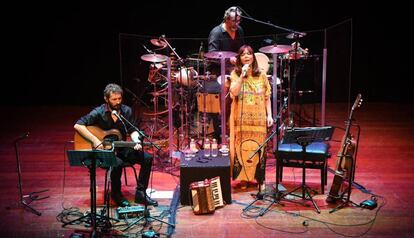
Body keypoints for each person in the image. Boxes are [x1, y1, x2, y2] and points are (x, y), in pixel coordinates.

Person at [74, 83, 158, 207]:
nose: (117, 102)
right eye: (114, 99)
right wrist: (95, 140)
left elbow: (132, 130)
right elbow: (78, 125)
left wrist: (136, 141)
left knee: (147, 158)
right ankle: (116, 194)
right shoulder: (98, 112)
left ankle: (140, 193)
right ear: (106, 99)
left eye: (119, 99)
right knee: (116, 163)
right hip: (104, 151)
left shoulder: (126, 111)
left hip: (121, 149)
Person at [228, 45, 273, 189]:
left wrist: (269, 115)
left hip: (259, 118)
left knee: (259, 148)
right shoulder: (235, 74)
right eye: (243, 54)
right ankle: (243, 179)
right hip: (242, 118)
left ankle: (259, 179)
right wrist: (242, 75)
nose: (246, 56)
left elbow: (267, 97)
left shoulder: (262, 74)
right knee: (242, 148)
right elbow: (233, 93)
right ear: (239, 58)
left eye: (249, 54)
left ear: (253, 57)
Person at [203, 6, 245, 143]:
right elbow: (211, 55)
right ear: (226, 19)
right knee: (223, 94)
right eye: (234, 21)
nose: (236, 24)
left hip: (233, 71)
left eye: (238, 21)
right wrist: (228, 59)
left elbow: (242, 50)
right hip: (216, 72)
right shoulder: (216, 32)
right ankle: (219, 132)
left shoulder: (239, 31)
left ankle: (239, 126)